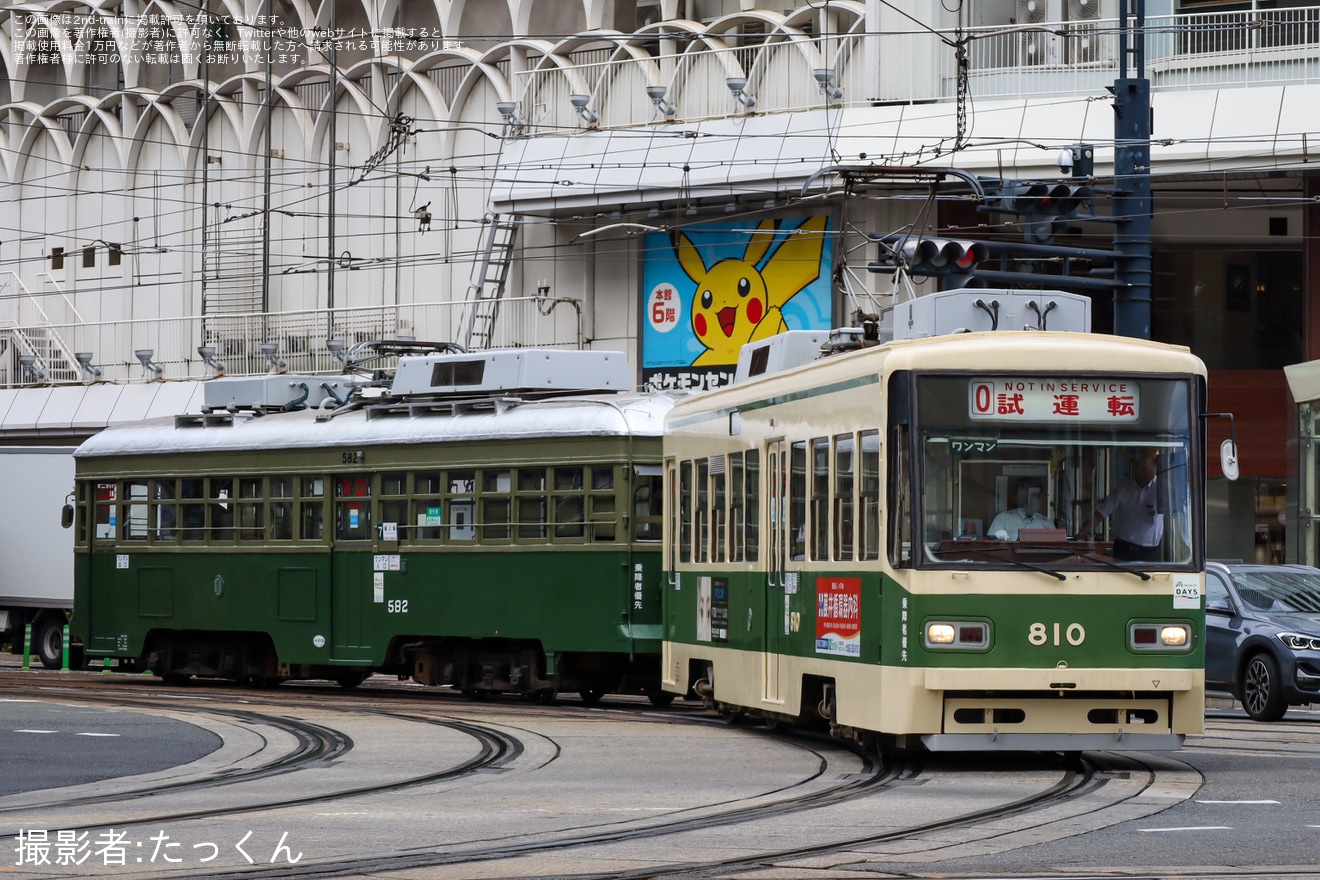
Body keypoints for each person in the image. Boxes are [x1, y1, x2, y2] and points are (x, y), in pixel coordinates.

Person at [1082, 449, 1162, 561]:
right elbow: (1099, 515)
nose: (1155, 468)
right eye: (1152, 464)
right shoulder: (1123, 490)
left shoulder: (1161, 488)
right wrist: (1081, 534)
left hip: (1149, 553)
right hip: (1124, 550)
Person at [988, 479, 1054, 540]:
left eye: (1035, 496)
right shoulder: (1003, 520)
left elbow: (1056, 548)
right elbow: (991, 547)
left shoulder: (1046, 524)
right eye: (1027, 495)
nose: (1032, 499)